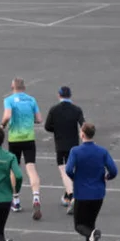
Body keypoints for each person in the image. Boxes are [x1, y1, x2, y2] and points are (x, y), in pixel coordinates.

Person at [65, 122, 118, 241]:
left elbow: (68, 169)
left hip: (82, 193)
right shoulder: (102, 151)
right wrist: (107, 177)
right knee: (90, 224)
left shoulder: (75, 151)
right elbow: (113, 170)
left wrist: (76, 177)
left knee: (79, 225)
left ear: (82, 134)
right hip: (98, 193)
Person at [1, 77, 44, 219]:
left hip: (14, 138)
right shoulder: (31, 100)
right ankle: (36, 197)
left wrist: (3, 125)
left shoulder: (9, 100)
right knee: (31, 168)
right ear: (24, 87)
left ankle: (16, 200)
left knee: (14, 169)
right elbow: (39, 119)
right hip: (29, 138)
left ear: (12, 87)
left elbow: (7, 115)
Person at [45, 85, 85, 213]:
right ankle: (68, 195)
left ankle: (73, 196)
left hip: (60, 144)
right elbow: (83, 125)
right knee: (72, 169)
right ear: (70, 95)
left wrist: (57, 129)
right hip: (73, 144)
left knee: (64, 170)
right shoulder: (76, 110)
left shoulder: (54, 110)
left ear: (59, 95)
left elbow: (47, 126)